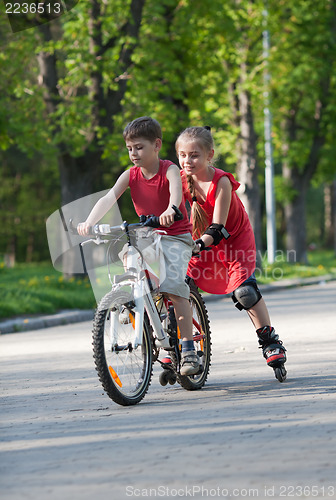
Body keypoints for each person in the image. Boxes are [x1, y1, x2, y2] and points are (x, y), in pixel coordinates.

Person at [77, 116, 200, 376]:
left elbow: (176, 194)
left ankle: (188, 349)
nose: (134, 153)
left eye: (139, 147)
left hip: (174, 235)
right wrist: (89, 222)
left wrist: (171, 209)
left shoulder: (168, 170)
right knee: (127, 251)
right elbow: (109, 197)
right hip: (145, 234)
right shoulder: (129, 175)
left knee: (175, 289)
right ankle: (130, 300)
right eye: (129, 148)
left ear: (156, 145)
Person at [175, 125, 287, 375]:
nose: (187, 160)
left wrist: (198, 244)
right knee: (178, 286)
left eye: (194, 155)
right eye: (182, 155)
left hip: (232, 238)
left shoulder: (221, 181)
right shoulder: (180, 181)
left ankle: (269, 341)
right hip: (199, 239)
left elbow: (217, 228)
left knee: (244, 292)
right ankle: (184, 346)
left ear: (209, 155)